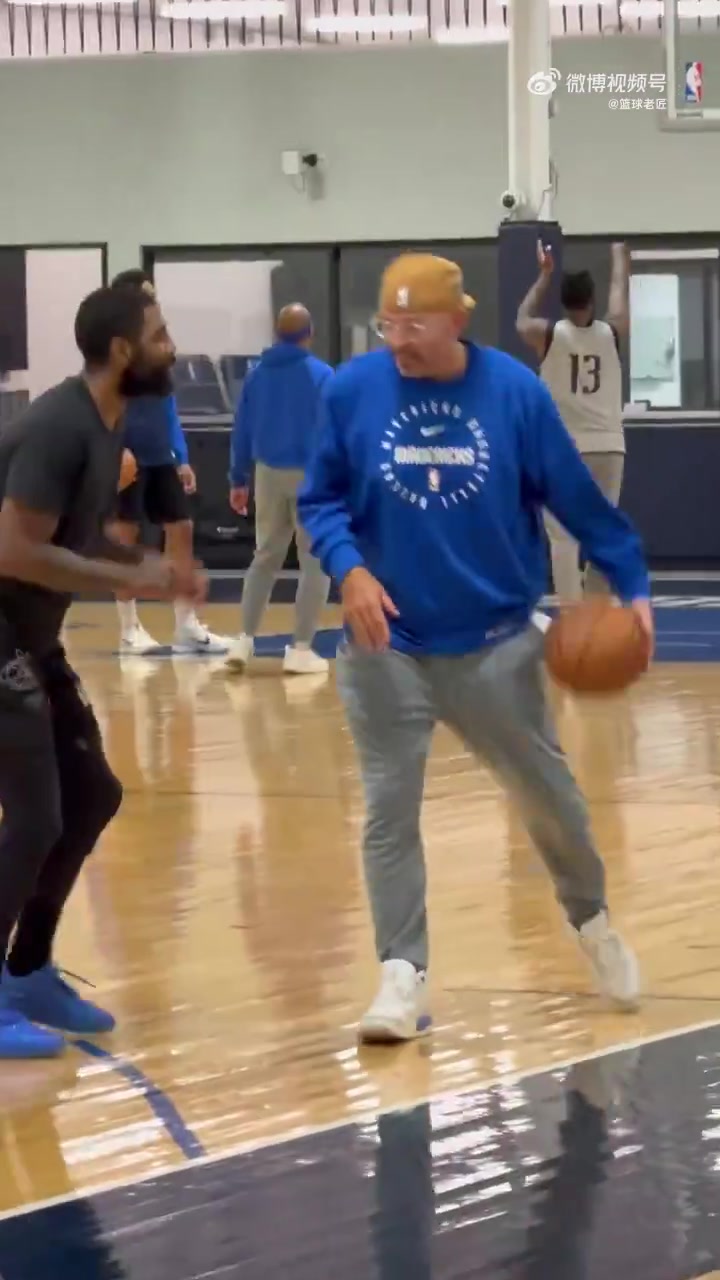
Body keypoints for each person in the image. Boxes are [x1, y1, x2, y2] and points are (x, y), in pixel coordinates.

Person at [298, 253, 653, 1045]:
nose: (399, 340)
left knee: (551, 802)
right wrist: (348, 568)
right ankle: (402, 974)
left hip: (495, 644)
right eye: (389, 325)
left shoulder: (514, 393)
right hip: (385, 642)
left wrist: (631, 582)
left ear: (458, 320)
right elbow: (320, 500)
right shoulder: (351, 390)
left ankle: (592, 922)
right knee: (388, 810)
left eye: (415, 325)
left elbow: (578, 499)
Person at [0, 285, 205, 1058]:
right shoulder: (59, 425)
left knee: (92, 794)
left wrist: (146, 564)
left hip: (29, 635)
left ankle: (27, 971)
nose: (172, 347)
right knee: (35, 817)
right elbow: (14, 551)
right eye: (160, 334)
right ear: (123, 351)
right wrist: (126, 578)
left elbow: (71, 535)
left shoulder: (105, 421)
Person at [110, 269, 229, 655]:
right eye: (146, 294)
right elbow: (102, 404)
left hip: (162, 457)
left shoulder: (158, 345)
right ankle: (129, 629)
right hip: (127, 458)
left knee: (182, 529)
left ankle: (186, 626)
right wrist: (116, 449)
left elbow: (168, 406)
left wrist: (181, 456)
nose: (153, 300)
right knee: (126, 540)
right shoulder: (114, 349)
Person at [516, 242, 630, 602]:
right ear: (591, 300)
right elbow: (619, 296)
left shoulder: (549, 335)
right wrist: (619, 259)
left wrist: (544, 275)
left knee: (563, 537)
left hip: (564, 449)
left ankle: (572, 614)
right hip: (608, 448)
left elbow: (521, 317)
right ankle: (597, 608)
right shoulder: (612, 333)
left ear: (563, 302)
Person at [225, 304, 332, 676]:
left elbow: (242, 428)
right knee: (315, 561)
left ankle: (243, 640)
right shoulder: (322, 375)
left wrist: (238, 478)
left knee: (265, 556)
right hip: (311, 476)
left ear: (276, 332)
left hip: (267, 473)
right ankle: (300, 649)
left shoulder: (256, 375)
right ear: (309, 334)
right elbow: (333, 432)